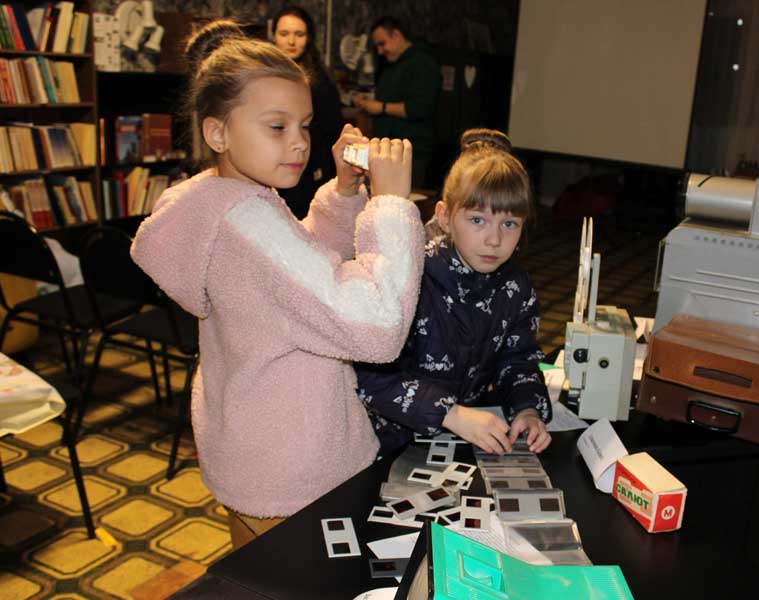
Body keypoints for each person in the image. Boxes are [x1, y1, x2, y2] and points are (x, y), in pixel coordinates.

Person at [131, 25, 425, 550]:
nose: (298, 142)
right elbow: (377, 327)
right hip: (297, 471)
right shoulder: (249, 222)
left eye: (305, 126)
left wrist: (344, 192)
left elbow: (296, 272)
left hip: (251, 452)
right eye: (276, 126)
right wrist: (391, 205)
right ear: (217, 133)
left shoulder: (219, 200)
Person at [356, 128, 552, 456]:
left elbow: (518, 359)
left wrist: (527, 408)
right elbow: (368, 377)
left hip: (454, 438)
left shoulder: (516, 286)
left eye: (509, 224)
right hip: (379, 443)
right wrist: (449, 413)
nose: (494, 240)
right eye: (477, 220)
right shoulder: (410, 275)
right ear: (445, 216)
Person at [271, 6, 343, 219]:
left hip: (309, 170)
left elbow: (332, 132)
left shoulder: (319, 82)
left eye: (299, 34)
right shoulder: (263, 76)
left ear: (308, 38)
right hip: (271, 167)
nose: (291, 41)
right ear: (273, 36)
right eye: (284, 33)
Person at [353, 16, 440, 190]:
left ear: (397, 35)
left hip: (410, 153)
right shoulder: (391, 65)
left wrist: (381, 108)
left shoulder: (422, 63)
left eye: (382, 43)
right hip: (388, 150)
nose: (380, 51)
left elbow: (420, 108)